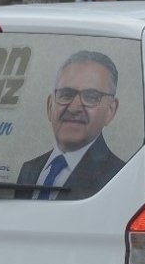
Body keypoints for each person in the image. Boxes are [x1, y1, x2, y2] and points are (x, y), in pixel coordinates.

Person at [17, 51, 127, 200]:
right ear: (50, 106)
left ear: (110, 110)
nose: (74, 108)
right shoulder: (29, 170)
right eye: (66, 94)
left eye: (90, 97)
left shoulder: (120, 178)